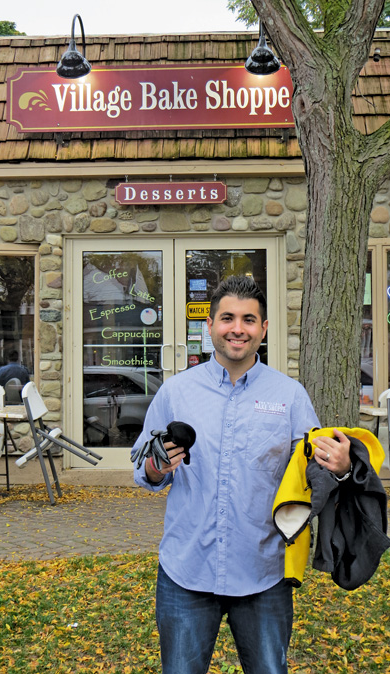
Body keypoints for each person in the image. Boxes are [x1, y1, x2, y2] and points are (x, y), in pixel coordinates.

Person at [132, 275, 352, 674]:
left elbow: (316, 471)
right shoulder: (176, 392)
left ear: (263, 329)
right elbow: (143, 466)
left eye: (249, 320)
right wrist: (156, 465)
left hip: (263, 572)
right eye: (228, 318)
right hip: (187, 571)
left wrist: (340, 467)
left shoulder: (290, 395)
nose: (238, 328)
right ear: (210, 326)